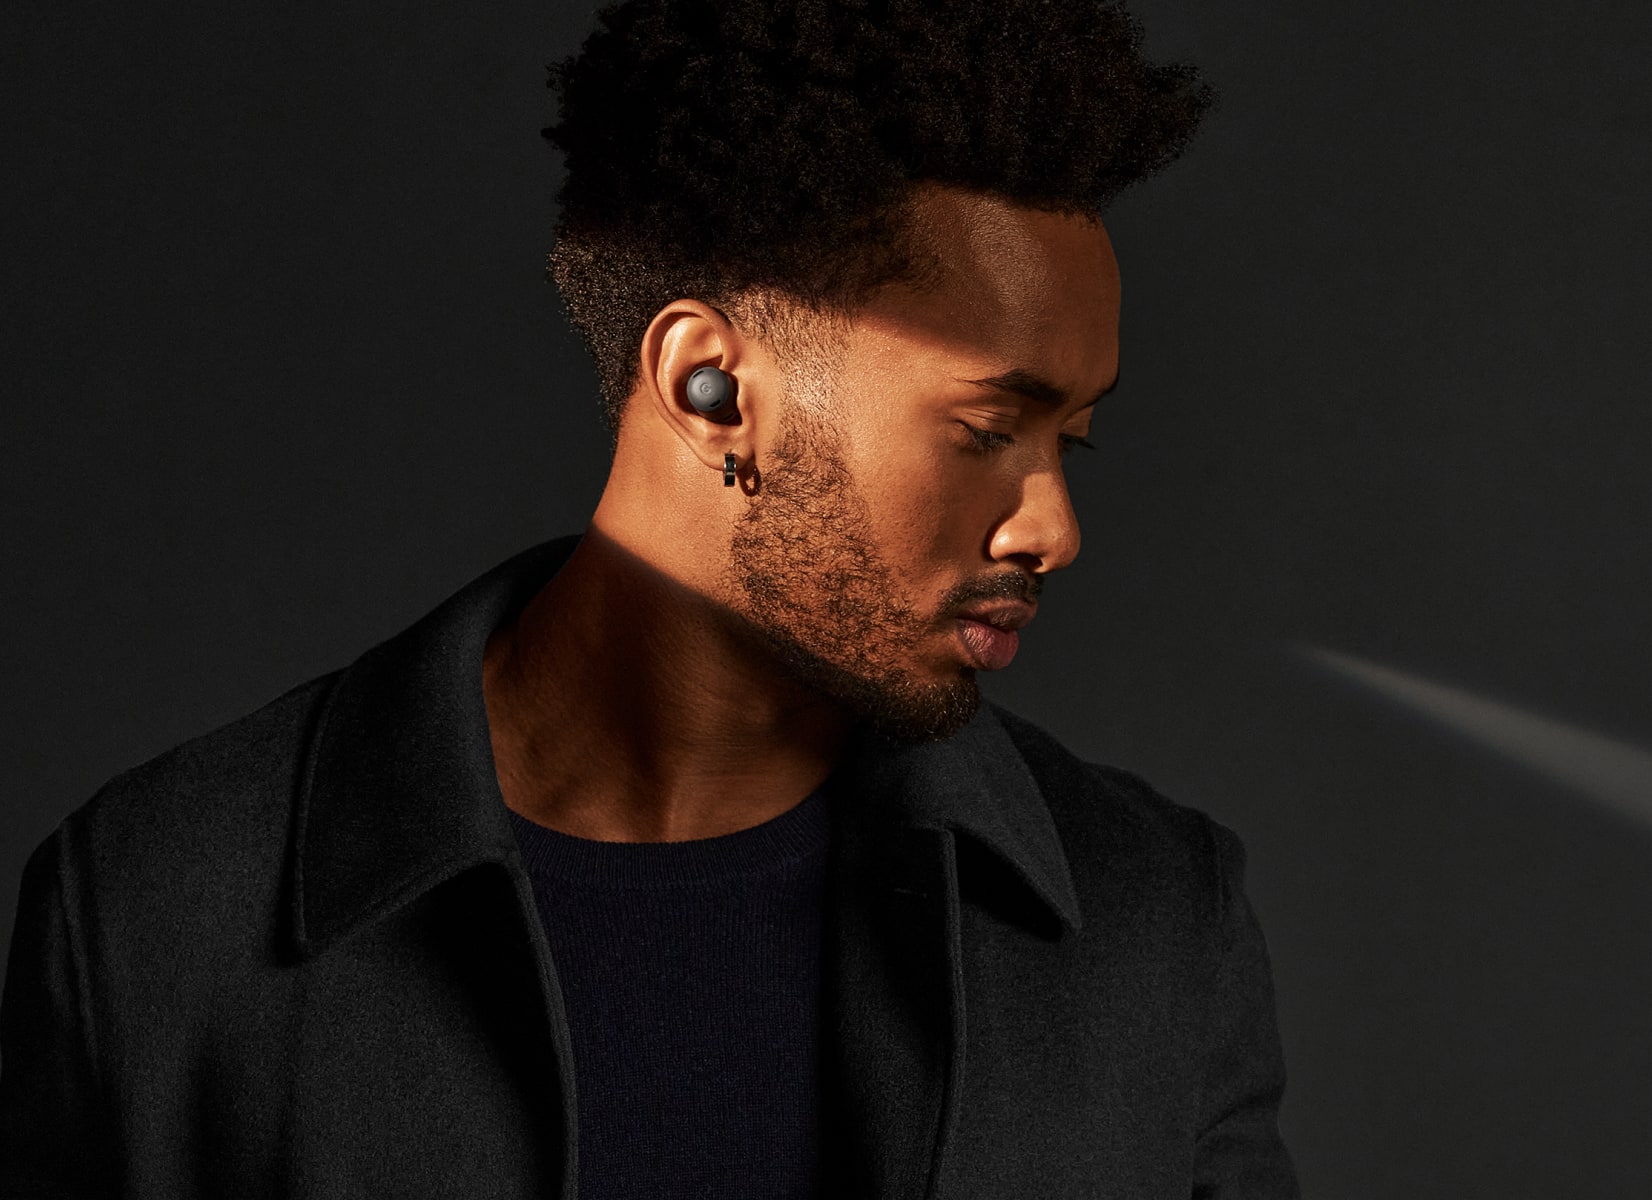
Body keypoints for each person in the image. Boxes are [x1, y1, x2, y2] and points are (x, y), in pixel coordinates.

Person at [0, 0, 1300, 1195]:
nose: (1052, 531)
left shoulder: (1151, 923)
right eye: (984, 430)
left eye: (1067, 441)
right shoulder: (161, 910)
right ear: (713, 388)